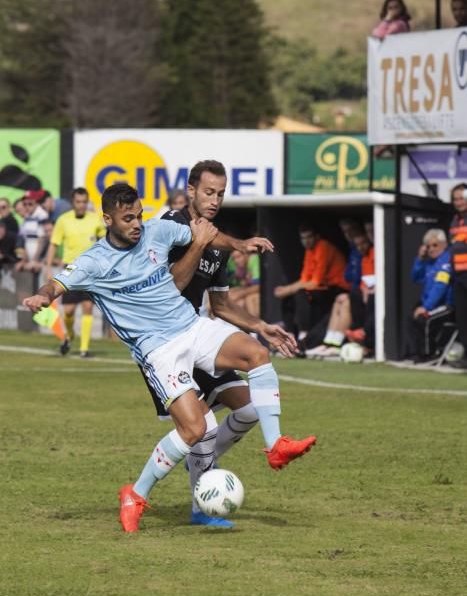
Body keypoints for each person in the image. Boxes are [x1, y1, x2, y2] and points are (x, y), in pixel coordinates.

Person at [23, 182, 317, 534]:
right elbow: (55, 284)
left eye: (139, 215)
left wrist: (239, 244)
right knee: (195, 429)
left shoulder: (157, 230)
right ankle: (136, 494)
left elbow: (202, 233)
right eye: (128, 218)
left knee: (256, 353)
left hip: (191, 326)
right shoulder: (94, 261)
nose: (136, 224)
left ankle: (275, 446)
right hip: (158, 350)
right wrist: (42, 298)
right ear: (107, 219)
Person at [142, 160, 296, 527]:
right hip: (165, 343)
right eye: (208, 192)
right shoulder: (171, 225)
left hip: (199, 336)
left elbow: (222, 305)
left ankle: (200, 462)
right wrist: (209, 243)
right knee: (204, 428)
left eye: (221, 194)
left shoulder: (218, 245)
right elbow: (176, 284)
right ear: (191, 191)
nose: (214, 200)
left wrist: (262, 326)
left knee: (250, 410)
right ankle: (192, 499)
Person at [45, 187, 106, 357]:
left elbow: (105, 242)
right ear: (73, 203)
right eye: (78, 202)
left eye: (84, 202)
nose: (81, 205)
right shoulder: (63, 220)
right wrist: (49, 267)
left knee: (88, 307)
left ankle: (84, 349)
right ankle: (70, 334)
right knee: (69, 311)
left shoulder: (95, 220)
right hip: (70, 270)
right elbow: (54, 244)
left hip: (90, 271)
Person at [274, 224, 350, 340]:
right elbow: (305, 279)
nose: (306, 241)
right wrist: (285, 290)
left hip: (338, 288)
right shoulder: (309, 251)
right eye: (303, 238)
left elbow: (315, 282)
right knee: (290, 297)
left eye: (309, 237)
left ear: (316, 237)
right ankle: (290, 334)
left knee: (300, 293)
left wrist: (287, 290)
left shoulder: (323, 246)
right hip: (323, 287)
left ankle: (303, 335)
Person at [306, 232, 374, 358]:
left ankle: (336, 344)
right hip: (358, 295)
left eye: (363, 243)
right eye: (357, 245)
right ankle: (328, 342)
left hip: (367, 300)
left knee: (346, 301)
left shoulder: (371, 255)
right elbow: (349, 276)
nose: (361, 247)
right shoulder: (362, 258)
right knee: (339, 300)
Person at [406, 229, 453, 363]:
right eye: (428, 246)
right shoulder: (430, 263)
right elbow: (415, 278)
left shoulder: (446, 262)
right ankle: (415, 353)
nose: (431, 249)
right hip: (432, 303)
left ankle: (428, 354)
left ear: (444, 244)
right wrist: (420, 259)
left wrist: (426, 307)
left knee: (424, 318)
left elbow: (440, 287)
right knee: (411, 317)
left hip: (447, 305)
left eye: (435, 245)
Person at [448, 183, 467, 369]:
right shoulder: (455, 220)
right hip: (459, 276)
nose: (458, 202)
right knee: (462, 317)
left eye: (462, 198)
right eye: (456, 199)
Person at [15, 191, 49, 273]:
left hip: (39, 260)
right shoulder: (28, 216)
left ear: (36, 202)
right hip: (31, 260)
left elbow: (43, 240)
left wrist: (35, 260)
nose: (27, 206)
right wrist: (25, 260)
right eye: (24, 204)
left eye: (30, 204)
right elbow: (25, 239)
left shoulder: (42, 215)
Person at [226, 249, 261, 316]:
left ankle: (254, 324)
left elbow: (259, 286)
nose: (236, 261)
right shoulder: (241, 267)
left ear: (246, 254)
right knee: (229, 293)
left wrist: (239, 294)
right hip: (251, 289)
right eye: (234, 259)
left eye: (239, 257)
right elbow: (243, 284)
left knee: (249, 299)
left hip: (267, 291)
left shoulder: (254, 259)